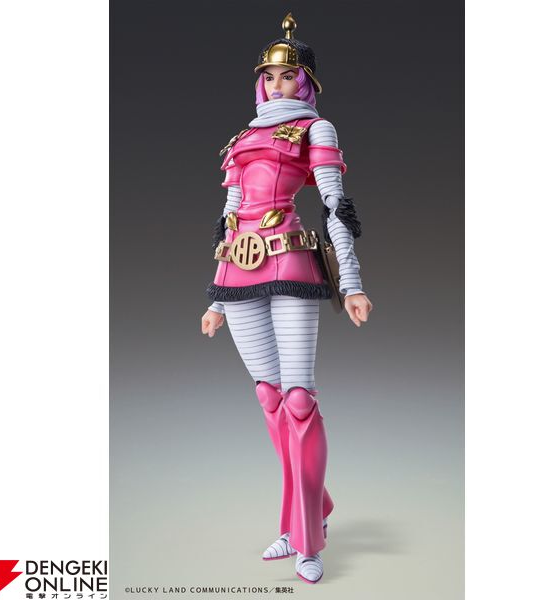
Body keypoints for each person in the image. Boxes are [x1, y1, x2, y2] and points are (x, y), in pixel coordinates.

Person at [200, 13, 373, 584]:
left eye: (289, 76)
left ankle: (308, 538)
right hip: (238, 268)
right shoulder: (242, 138)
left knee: (299, 400)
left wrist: (351, 282)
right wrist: (216, 298)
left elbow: (335, 206)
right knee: (270, 399)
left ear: (307, 82)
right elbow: (228, 218)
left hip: (291, 259)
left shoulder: (315, 129)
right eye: (270, 77)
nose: (278, 85)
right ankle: (307, 512)